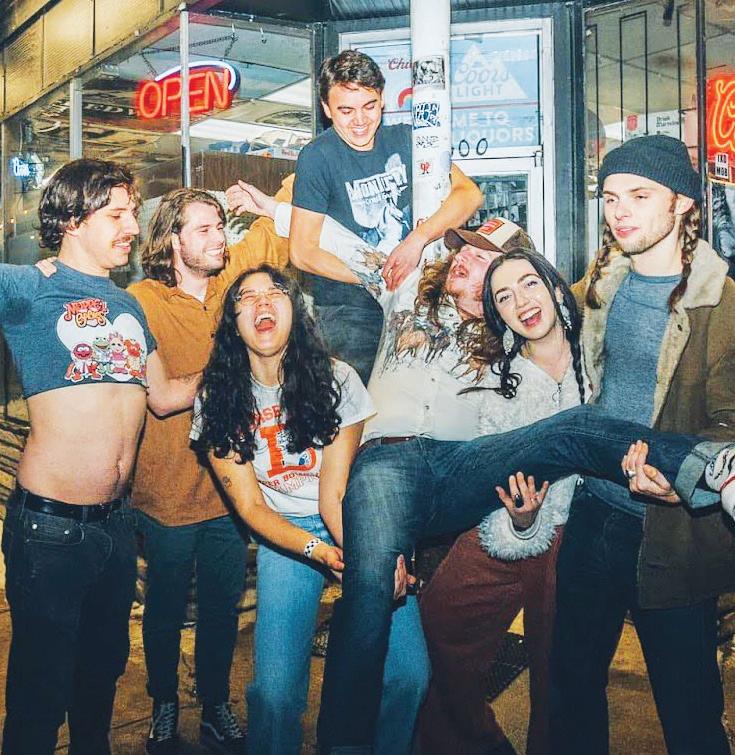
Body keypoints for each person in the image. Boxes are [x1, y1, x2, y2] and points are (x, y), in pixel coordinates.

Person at [230, 185, 735, 753]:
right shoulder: (404, 289)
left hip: (464, 468)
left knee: (571, 448)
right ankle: (344, 745)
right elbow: (343, 245)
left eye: (480, 257)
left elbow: (576, 341)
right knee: (372, 590)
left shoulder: (510, 338)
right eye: (461, 251)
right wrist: (275, 210)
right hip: (389, 460)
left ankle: (713, 468)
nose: (461, 258)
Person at [0, 159, 198, 755]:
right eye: (116, 215)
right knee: (39, 695)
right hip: (49, 531)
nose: (132, 227)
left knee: (100, 681)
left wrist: (235, 359)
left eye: (131, 213)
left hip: (115, 527)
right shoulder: (30, 287)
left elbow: (164, 396)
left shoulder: (128, 306)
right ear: (71, 220)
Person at [190, 264, 430, 755]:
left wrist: (376, 557)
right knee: (274, 695)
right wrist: (317, 551)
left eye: (275, 292)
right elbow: (250, 507)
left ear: (295, 310)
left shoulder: (337, 378)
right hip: (284, 531)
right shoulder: (216, 398)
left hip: (353, 519)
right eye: (246, 297)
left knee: (409, 677)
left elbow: (334, 494)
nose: (262, 302)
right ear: (232, 324)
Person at [550, 135, 735, 755]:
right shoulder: (599, 287)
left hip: (671, 534)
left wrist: (683, 482)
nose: (619, 211)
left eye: (639, 195)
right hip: (593, 514)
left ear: (682, 203)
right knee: (570, 691)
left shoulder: (722, 305)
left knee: (690, 714)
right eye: (609, 197)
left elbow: (731, 424)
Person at [127, 185, 288, 754]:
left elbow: (284, 227)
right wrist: (227, 367)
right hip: (166, 491)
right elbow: (162, 399)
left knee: (223, 607)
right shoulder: (142, 301)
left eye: (220, 226)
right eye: (204, 229)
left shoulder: (232, 285)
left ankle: (216, 703)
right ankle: (164, 702)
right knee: (165, 609)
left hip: (231, 492)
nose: (219, 238)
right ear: (172, 240)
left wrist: (262, 203)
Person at [418, 249, 584, 755]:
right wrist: (521, 520)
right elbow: (483, 475)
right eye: (504, 296)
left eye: (530, 284)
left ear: (555, 288)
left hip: (579, 538)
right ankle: (473, 742)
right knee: (436, 622)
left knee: (558, 672)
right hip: (502, 528)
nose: (521, 302)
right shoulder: (496, 381)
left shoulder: (599, 356)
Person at [287, 49, 481, 383]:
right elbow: (302, 252)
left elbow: (469, 194)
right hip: (349, 307)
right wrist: (378, 276)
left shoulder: (406, 139)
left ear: (382, 100)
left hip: (417, 297)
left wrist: (417, 240)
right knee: (359, 400)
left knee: (422, 390)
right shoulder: (317, 157)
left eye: (369, 106)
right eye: (346, 110)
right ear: (326, 109)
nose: (359, 120)